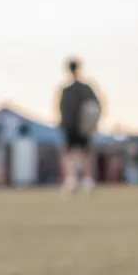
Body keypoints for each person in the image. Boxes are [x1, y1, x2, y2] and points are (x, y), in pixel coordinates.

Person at [58, 58, 101, 193]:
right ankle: (82, 179)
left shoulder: (67, 90)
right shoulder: (85, 88)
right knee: (84, 153)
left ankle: (74, 179)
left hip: (73, 126)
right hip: (80, 127)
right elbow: (96, 107)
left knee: (71, 153)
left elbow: (61, 110)